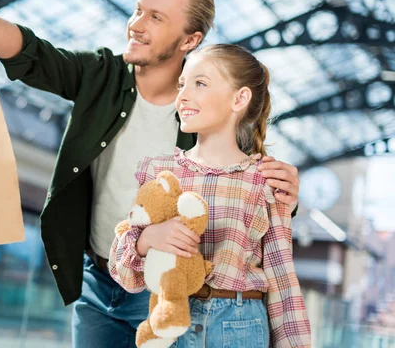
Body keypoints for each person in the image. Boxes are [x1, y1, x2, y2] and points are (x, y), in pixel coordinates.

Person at [0, 0, 302, 347]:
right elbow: (31, 53)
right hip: (99, 277)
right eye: (138, 10)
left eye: (156, 18)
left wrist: (288, 196)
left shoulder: (206, 113)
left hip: (168, 291)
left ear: (190, 40)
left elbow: (247, 198)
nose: (136, 25)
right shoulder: (101, 75)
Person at [110, 44, 311, 347]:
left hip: (241, 326)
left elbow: (281, 275)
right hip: (170, 323)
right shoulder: (159, 172)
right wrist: (147, 239)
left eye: (199, 83)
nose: (183, 96)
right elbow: (124, 274)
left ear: (240, 98)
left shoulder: (265, 180)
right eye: (182, 84)